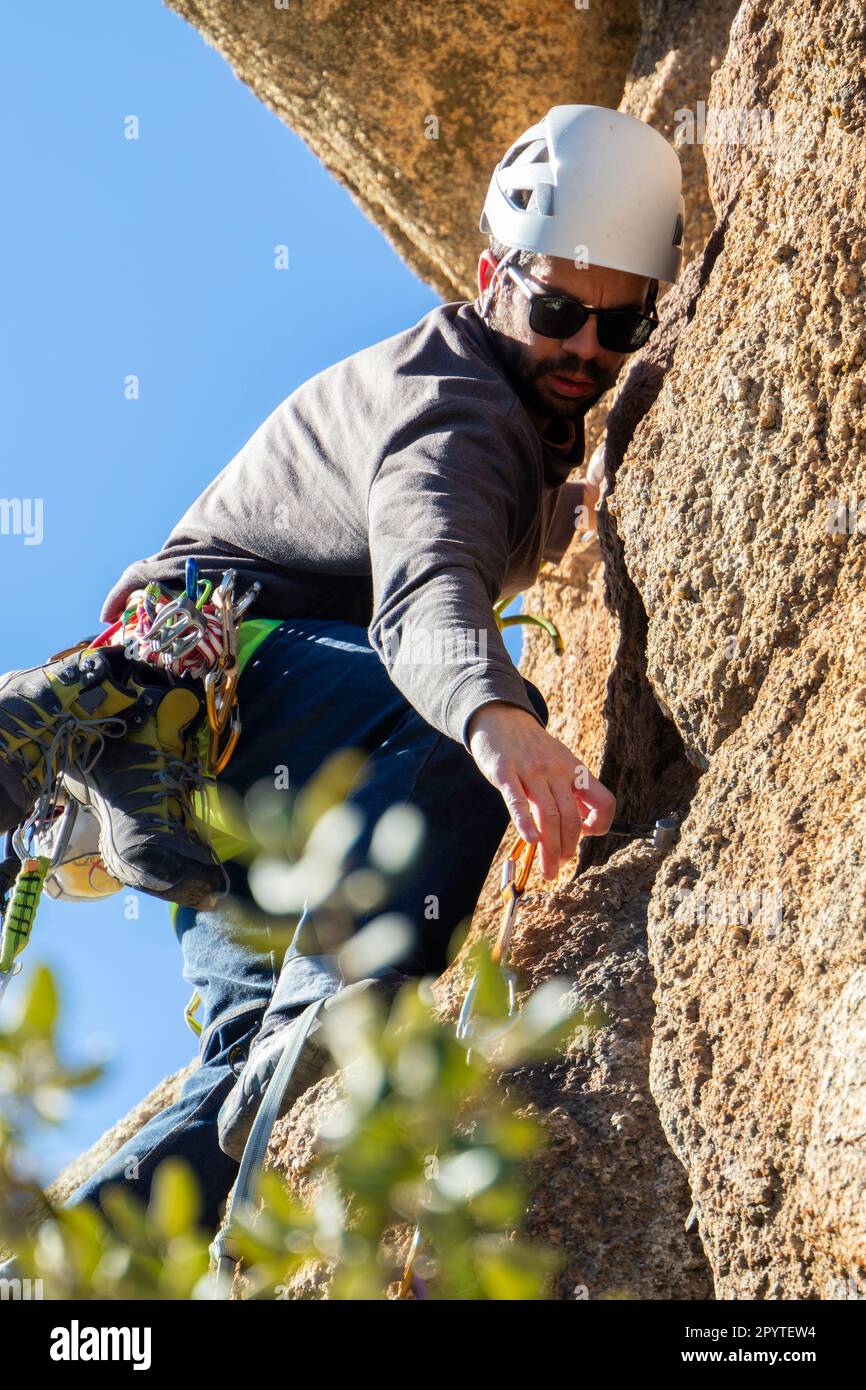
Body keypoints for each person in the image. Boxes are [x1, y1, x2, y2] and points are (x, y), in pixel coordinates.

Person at [0, 104, 683, 1231]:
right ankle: (341, 999)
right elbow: (425, 589)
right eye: (558, 309)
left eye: (619, 328)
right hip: (235, 675)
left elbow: (470, 527)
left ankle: (66, 1272)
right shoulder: (460, 405)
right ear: (488, 273)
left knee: (241, 1084)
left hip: (221, 777)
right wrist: (494, 716)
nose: (583, 352)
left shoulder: (498, 415)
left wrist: (568, 513)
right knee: (448, 737)